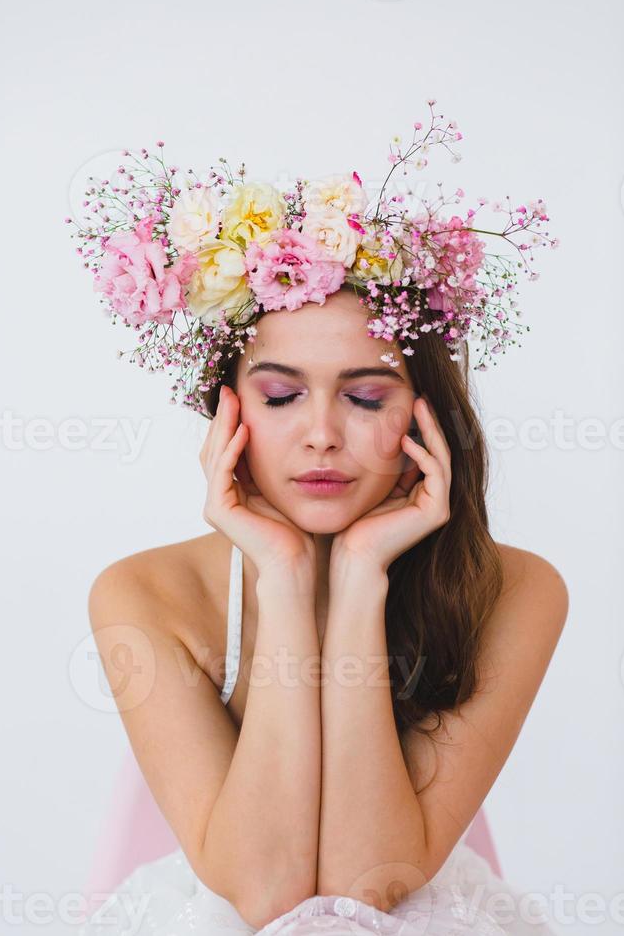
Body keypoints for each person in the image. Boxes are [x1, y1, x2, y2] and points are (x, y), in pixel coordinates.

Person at [81, 281, 568, 936]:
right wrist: (283, 577)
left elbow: (364, 889)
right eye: (281, 396)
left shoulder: (512, 588)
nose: (322, 436)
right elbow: (266, 896)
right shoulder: (145, 591)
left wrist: (361, 579)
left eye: (365, 398)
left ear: (424, 415)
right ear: (228, 414)